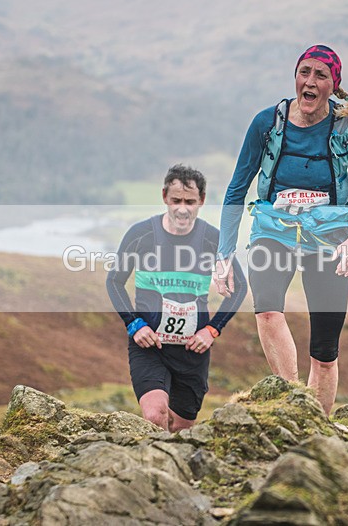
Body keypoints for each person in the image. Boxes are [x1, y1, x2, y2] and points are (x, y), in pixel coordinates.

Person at [214, 44, 348, 415]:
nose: (310, 81)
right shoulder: (267, 124)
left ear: (333, 85)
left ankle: (318, 427)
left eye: (320, 75)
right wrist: (224, 254)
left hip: (330, 237)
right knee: (267, 311)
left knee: (324, 353)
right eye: (304, 72)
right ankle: (294, 404)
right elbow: (236, 191)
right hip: (273, 230)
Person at [106, 164, 247, 431]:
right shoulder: (141, 235)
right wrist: (133, 324)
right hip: (150, 347)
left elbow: (239, 287)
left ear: (201, 200)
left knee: (182, 429)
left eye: (190, 202)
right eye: (176, 201)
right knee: (155, 416)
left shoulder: (213, 240)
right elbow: (114, 281)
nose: (182, 209)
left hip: (192, 352)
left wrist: (212, 330)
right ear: (164, 197)